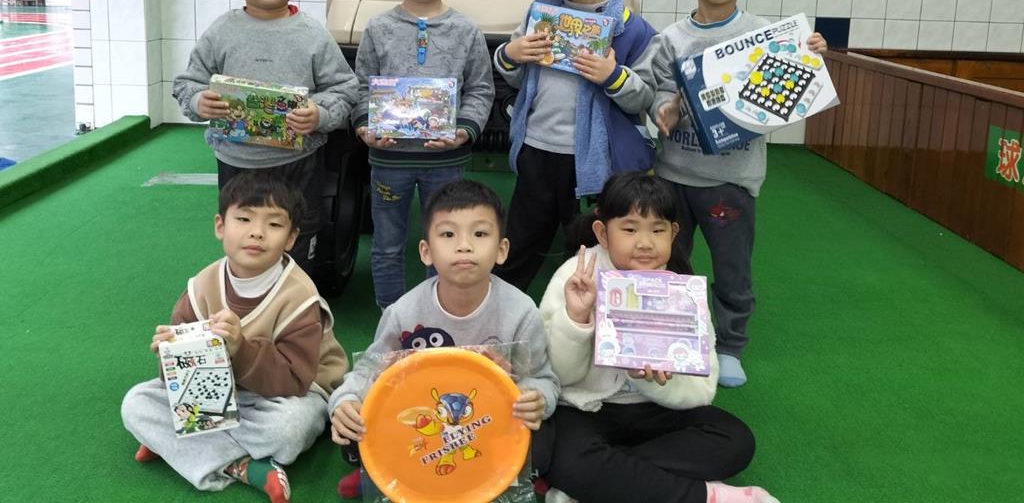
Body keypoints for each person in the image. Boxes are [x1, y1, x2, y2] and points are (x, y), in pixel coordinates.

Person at [652, 0, 828, 388]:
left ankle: (729, 346)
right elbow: (656, 92)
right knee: (670, 265)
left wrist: (811, 53)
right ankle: (673, 340)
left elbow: (796, 85)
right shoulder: (670, 39)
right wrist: (664, 108)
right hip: (673, 175)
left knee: (732, 269)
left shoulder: (767, 35)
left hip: (732, 181)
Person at [538, 172, 776, 503]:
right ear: (602, 233)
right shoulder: (576, 276)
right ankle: (706, 495)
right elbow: (554, 376)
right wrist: (576, 320)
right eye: (630, 229)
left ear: (673, 233)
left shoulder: (682, 288)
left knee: (736, 440)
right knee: (551, 448)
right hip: (586, 410)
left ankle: (596, 481)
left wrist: (654, 382)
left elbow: (702, 391)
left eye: (658, 230)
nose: (645, 243)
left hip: (657, 412)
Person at [121, 171, 349, 502]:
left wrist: (240, 348)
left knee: (290, 427)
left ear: (290, 238)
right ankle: (243, 465)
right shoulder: (201, 286)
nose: (257, 232)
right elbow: (182, 381)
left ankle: (178, 445)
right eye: (243, 219)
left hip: (292, 394)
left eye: (274, 224)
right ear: (220, 226)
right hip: (219, 391)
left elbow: (294, 381)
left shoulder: (300, 296)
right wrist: (170, 356)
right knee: (137, 403)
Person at [329, 179, 559, 499]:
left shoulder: (521, 312)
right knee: (354, 434)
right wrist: (345, 401)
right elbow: (369, 370)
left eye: (480, 234)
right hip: (424, 420)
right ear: (426, 251)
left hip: (487, 421)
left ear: (502, 250)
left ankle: (503, 474)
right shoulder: (403, 312)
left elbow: (543, 380)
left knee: (544, 442)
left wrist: (536, 398)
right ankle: (380, 473)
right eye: (448, 234)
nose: (464, 245)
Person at [172, 0, 358, 285]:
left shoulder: (313, 35)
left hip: (298, 164)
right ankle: (246, 303)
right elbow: (187, 83)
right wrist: (198, 102)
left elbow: (345, 89)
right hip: (236, 163)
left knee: (297, 238)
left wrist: (319, 115)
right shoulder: (221, 32)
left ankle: (296, 306)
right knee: (245, 239)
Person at [493, 0, 658, 292]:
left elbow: (645, 96)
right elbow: (517, 78)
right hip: (538, 148)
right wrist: (511, 54)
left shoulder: (632, 28)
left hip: (596, 161)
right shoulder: (540, 16)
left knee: (591, 244)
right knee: (522, 238)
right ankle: (503, 308)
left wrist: (613, 76)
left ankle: (596, 311)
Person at [353, 0, 494, 309]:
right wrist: (365, 127)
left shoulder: (466, 30)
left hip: (446, 161)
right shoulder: (378, 28)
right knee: (387, 244)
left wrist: (465, 130)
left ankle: (438, 314)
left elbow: (481, 88)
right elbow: (360, 87)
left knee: (446, 242)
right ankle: (390, 316)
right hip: (388, 159)